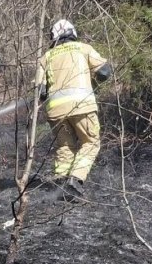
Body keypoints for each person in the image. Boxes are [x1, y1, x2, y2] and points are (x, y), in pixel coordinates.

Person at [34, 19, 112, 200]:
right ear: (73, 33)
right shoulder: (83, 49)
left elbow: (40, 91)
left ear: (53, 36)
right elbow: (104, 72)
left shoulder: (47, 56)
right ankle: (75, 180)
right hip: (82, 106)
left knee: (65, 145)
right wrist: (97, 81)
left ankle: (60, 181)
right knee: (90, 142)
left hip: (56, 111)